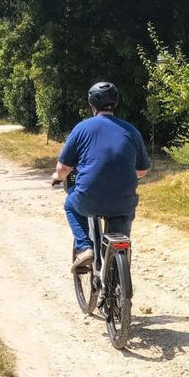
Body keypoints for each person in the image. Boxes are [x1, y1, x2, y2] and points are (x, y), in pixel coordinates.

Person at [51, 82, 150, 272]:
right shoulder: (131, 131)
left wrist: (58, 176)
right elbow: (142, 171)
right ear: (116, 103)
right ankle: (118, 271)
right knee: (120, 230)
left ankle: (84, 248)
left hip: (90, 198)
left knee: (70, 204)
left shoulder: (82, 128)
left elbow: (63, 168)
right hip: (123, 202)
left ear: (92, 104)